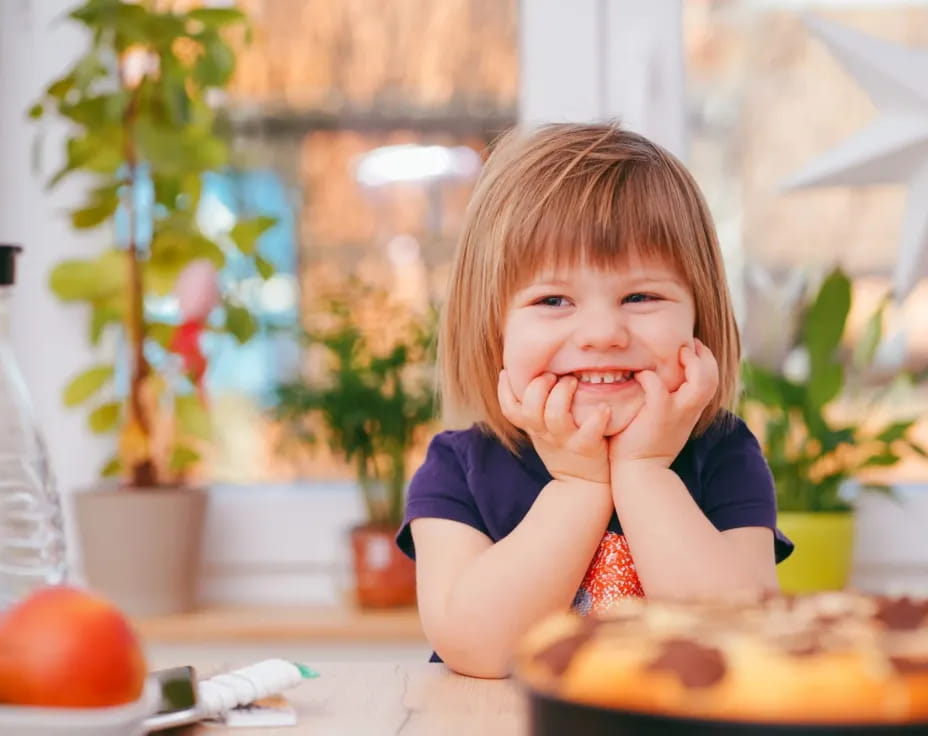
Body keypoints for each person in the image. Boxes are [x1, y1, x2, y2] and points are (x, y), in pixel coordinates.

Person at [395, 122, 793, 679]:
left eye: (641, 296)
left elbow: (740, 643)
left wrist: (646, 472)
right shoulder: (458, 468)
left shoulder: (724, 453)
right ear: (493, 330)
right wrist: (579, 485)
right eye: (553, 299)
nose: (602, 332)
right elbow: (477, 649)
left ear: (699, 317)